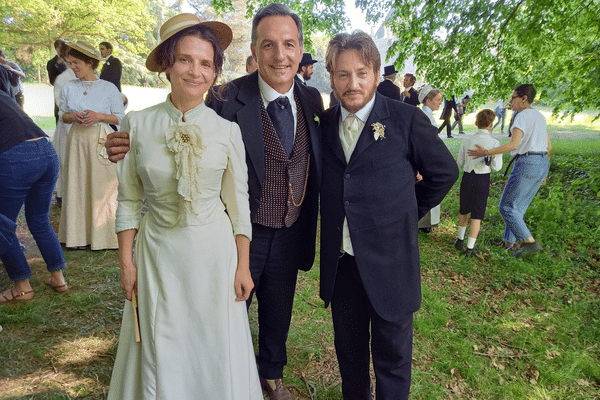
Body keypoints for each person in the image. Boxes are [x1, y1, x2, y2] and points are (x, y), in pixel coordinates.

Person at [105, 4, 323, 399]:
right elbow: (176, 129)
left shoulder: (313, 102)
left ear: (300, 48)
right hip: (223, 236)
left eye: (289, 44)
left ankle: (270, 374)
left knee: (275, 313)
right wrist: (122, 142)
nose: (280, 54)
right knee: (213, 322)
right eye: (268, 44)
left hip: (286, 230)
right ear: (254, 49)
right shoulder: (225, 97)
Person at [106, 14, 262, 399]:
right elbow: (128, 201)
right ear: (167, 65)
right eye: (185, 60)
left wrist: (243, 265)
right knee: (163, 343)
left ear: (215, 72)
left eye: (206, 63)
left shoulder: (228, 131)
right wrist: (127, 262)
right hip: (158, 256)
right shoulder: (137, 124)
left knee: (213, 346)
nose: (196, 71)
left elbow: (238, 205)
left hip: (214, 259)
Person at [320, 31, 458, 399]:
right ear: (331, 76)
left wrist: (407, 212)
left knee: (393, 358)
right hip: (343, 264)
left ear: (377, 74)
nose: (353, 84)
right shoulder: (325, 124)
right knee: (349, 354)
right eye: (343, 74)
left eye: (362, 72)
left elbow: (444, 172)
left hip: (391, 263)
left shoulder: (405, 119)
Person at [0, 85, 68, 304]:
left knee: (3, 226)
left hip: (16, 156)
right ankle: (58, 278)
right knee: (39, 219)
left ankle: (22, 287)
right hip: (46, 150)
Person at [468, 84, 551, 257]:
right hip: (542, 162)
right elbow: (548, 146)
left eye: (513, 97)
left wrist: (487, 152)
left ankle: (529, 243)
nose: (510, 101)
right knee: (518, 207)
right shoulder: (539, 116)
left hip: (527, 162)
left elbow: (513, 145)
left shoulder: (521, 116)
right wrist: (544, 171)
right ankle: (510, 243)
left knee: (506, 207)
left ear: (524, 98)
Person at [57, 41, 125, 250]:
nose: (72, 67)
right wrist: (71, 116)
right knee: (77, 185)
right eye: (69, 63)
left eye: (76, 62)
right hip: (77, 140)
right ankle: (77, 237)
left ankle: (104, 238)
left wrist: (99, 116)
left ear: (90, 63)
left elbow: (120, 118)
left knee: (101, 187)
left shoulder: (108, 88)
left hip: (101, 140)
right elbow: (62, 115)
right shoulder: (69, 87)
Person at [455, 109, 502, 257]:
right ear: (491, 125)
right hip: (482, 179)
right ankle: (470, 247)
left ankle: (459, 239)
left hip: (468, 177)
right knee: (477, 214)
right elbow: (497, 167)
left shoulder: (467, 140)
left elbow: (460, 162)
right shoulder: (494, 143)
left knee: (464, 209)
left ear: (476, 123)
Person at [51, 44, 77, 202]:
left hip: (85, 126)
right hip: (68, 126)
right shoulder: (62, 79)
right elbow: (62, 105)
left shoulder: (89, 76)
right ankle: (64, 195)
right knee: (66, 161)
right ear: (67, 59)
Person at [417, 84, 444, 232]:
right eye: (438, 100)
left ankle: (426, 223)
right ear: (428, 100)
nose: (440, 103)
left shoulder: (427, 116)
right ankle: (424, 223)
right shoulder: (424, 117)